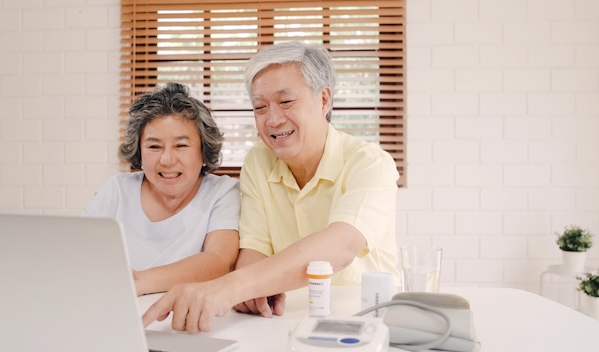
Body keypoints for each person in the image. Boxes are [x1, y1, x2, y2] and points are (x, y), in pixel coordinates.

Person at [142, 41, 400, 333]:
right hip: (283, 321)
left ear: (324, 100)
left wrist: (230, 287)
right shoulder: (258, 161)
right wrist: (253, 288)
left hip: (364, 319)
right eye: (260, 107)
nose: (273, 119)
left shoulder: (370, 163)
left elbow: (341, 246)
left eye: (286, 102)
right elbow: (254, 249)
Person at [83, 82, 240, 296]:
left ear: (204, 151)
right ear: (139, 151)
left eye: (181, 145)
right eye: (154, 146)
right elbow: (80, 253)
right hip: (116, 310)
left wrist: (137, 283)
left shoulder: (222, 192)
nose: (166, 160)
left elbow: (219, 261)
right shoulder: (118, 190)